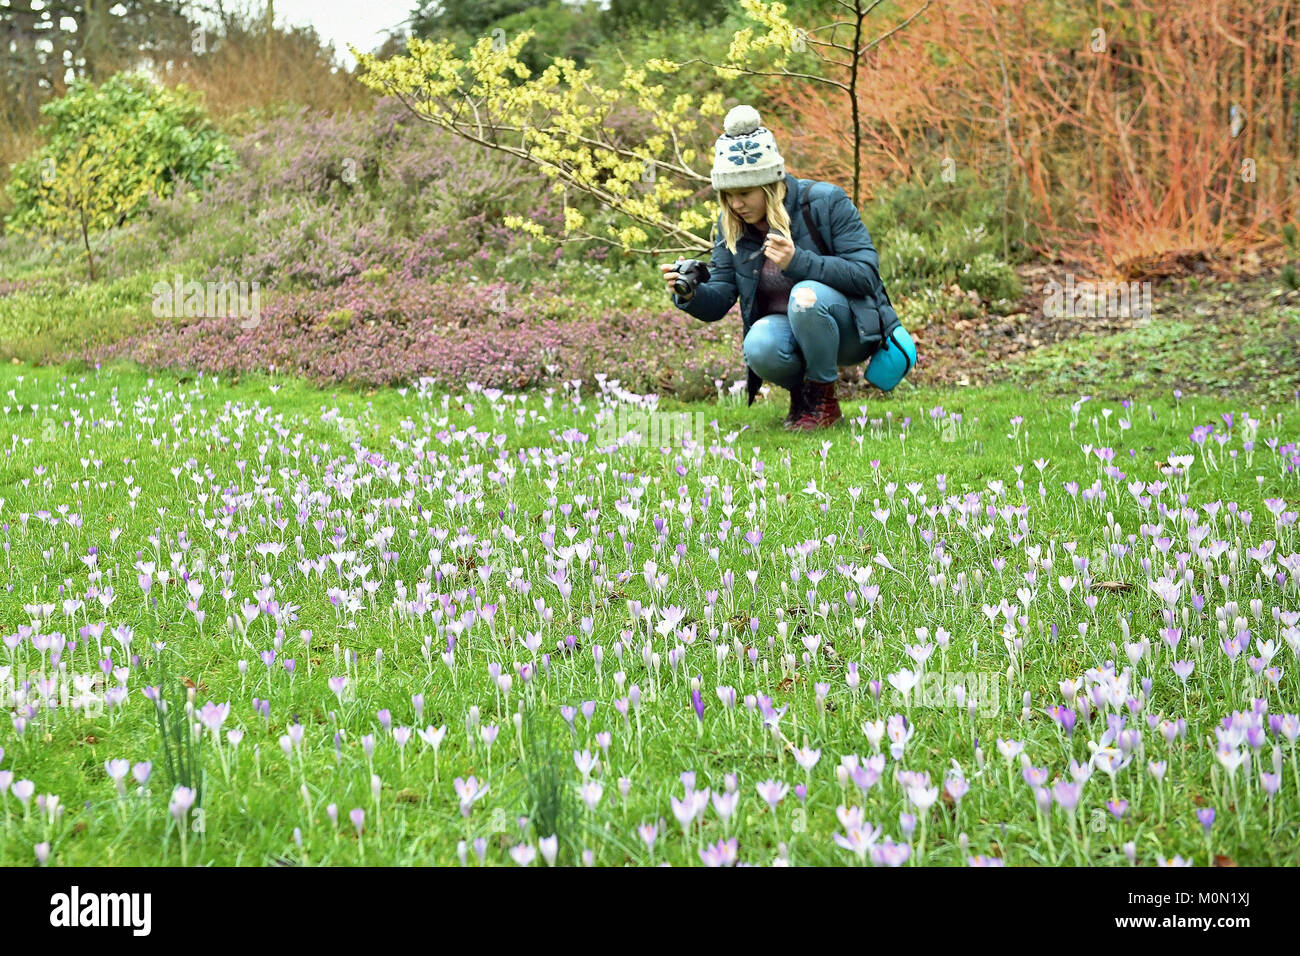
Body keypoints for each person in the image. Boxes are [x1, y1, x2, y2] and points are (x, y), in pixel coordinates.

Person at [661, 104, 914, 430]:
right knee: (758, 343)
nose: (736, 204)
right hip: (791, 332)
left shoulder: (826, 201)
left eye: (744, 193)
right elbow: (721, 296)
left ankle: (823, 400)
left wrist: (798, 262)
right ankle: (803, 398)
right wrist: (689, 294)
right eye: (728, 195)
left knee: (805, 296)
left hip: (851, 330)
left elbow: (865, 275)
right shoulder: (731, 224)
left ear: (770, 185)